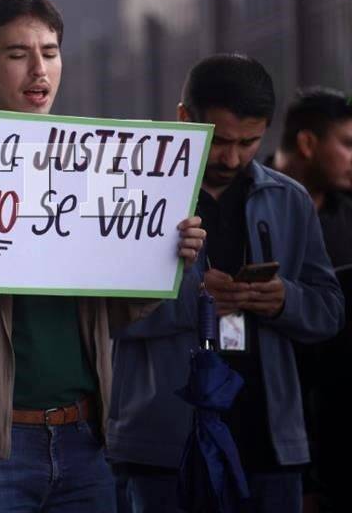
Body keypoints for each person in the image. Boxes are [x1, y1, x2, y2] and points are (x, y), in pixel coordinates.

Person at [0, 0, 205, 512]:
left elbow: (122, 313)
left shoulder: (98, 164)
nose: (39, 71)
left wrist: (165, 257)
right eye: (17, 54)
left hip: (86, 437)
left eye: (50, 53)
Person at [108, 54, 345, 513]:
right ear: (184, 117)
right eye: (220, 142)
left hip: (268, 437)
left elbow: (330, 310)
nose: (232, 158)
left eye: (250, 142)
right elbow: (104, 314)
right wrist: (194, 303)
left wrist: (283, 301)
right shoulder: (133, 193)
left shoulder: (288, 199)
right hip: (162, 438)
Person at [272, 88, 352, 512]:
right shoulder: (246, 203)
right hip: (268, 426)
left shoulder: (346, 216)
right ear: (307, 143)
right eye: (347, 144)